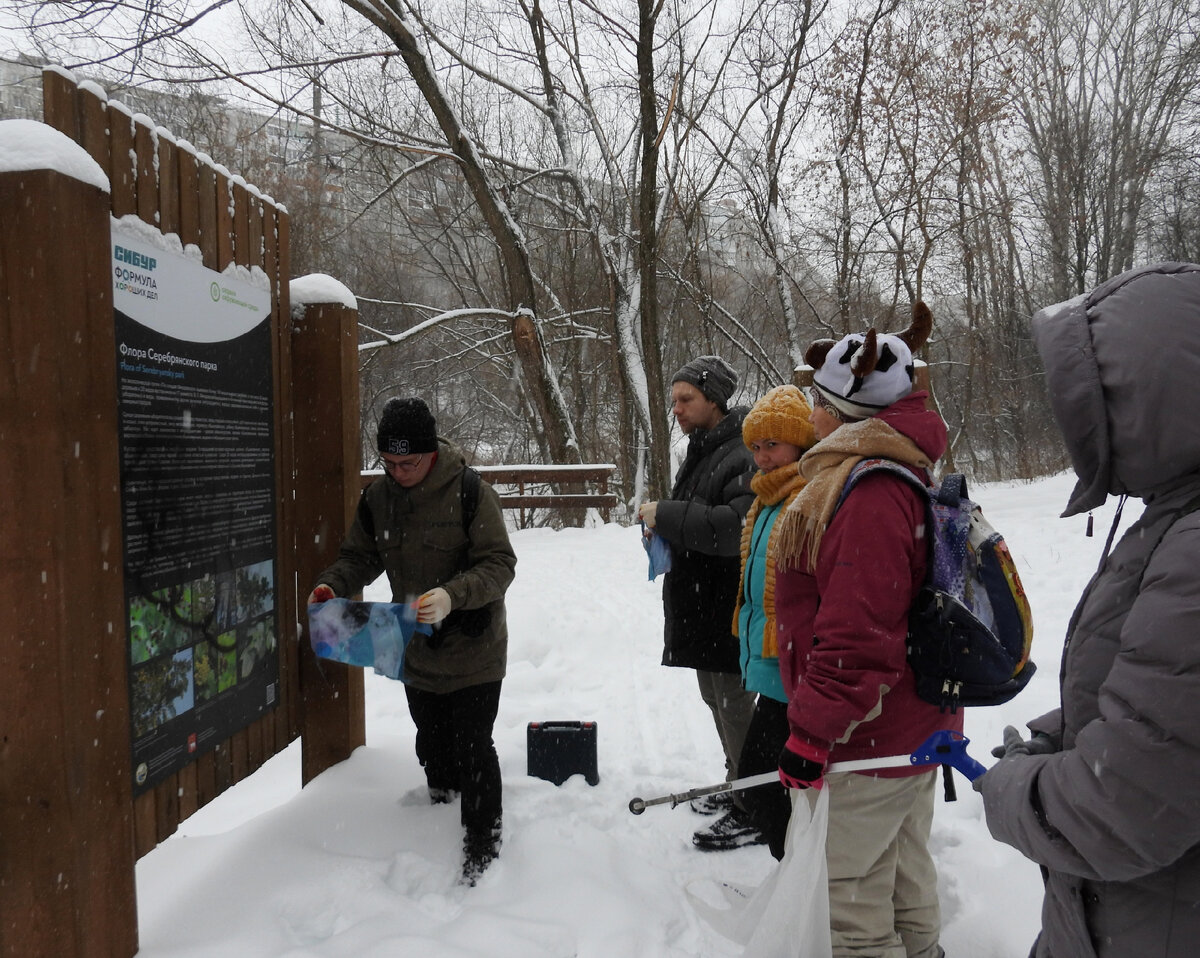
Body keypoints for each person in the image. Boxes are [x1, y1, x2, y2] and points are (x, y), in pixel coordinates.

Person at [976, 262, 1200, 958]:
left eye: (1088, 397)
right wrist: (1064, 734)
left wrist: (1010, 790)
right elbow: (1168, 714)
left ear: (1148, 397)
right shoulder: (1175, 514)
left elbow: (1126, 811)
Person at [772, 301, 960, 958]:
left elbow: (857, 637)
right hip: (911, 724)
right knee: (904, 869)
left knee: (848, 894)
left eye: (815, 399)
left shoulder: (869, 489)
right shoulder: (897, 466)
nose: (809, 412)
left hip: (873, 734)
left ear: (845, 411)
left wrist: (811, 734)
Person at [307, 397, 517, 886]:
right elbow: (358, 557)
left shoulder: (469, 492)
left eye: (408, 462)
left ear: (430, 453)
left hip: (475, 647)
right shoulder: (378, 499)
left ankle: (483, 839)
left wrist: (452, 595)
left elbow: (499, 565)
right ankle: (439, 810)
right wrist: (333, 585)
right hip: (415, 650)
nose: (398, 472)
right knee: (434, 744)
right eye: (389, 463)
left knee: (473, 745)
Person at [637, 355, 759, 851]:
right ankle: (739, 781)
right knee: (716, 696)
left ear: (714, 398)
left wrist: (667, 513)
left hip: (728, 601)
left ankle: (755, 801)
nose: (678, 410)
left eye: (686, 399)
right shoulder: (705, 447)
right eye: (674, 402)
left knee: (733, 702)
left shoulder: (744, 450)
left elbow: (734, 528)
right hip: (704, 600)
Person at [730, 384, 816, 860]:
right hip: (774, 662)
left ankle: (799, 874)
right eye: (756, 447)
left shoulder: (806, 497)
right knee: (765, 782)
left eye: (773, 445)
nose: (762, 457)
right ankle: (797, 873)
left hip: (798, 668)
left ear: (800, 444)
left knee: (761, 782)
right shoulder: (765, 500)